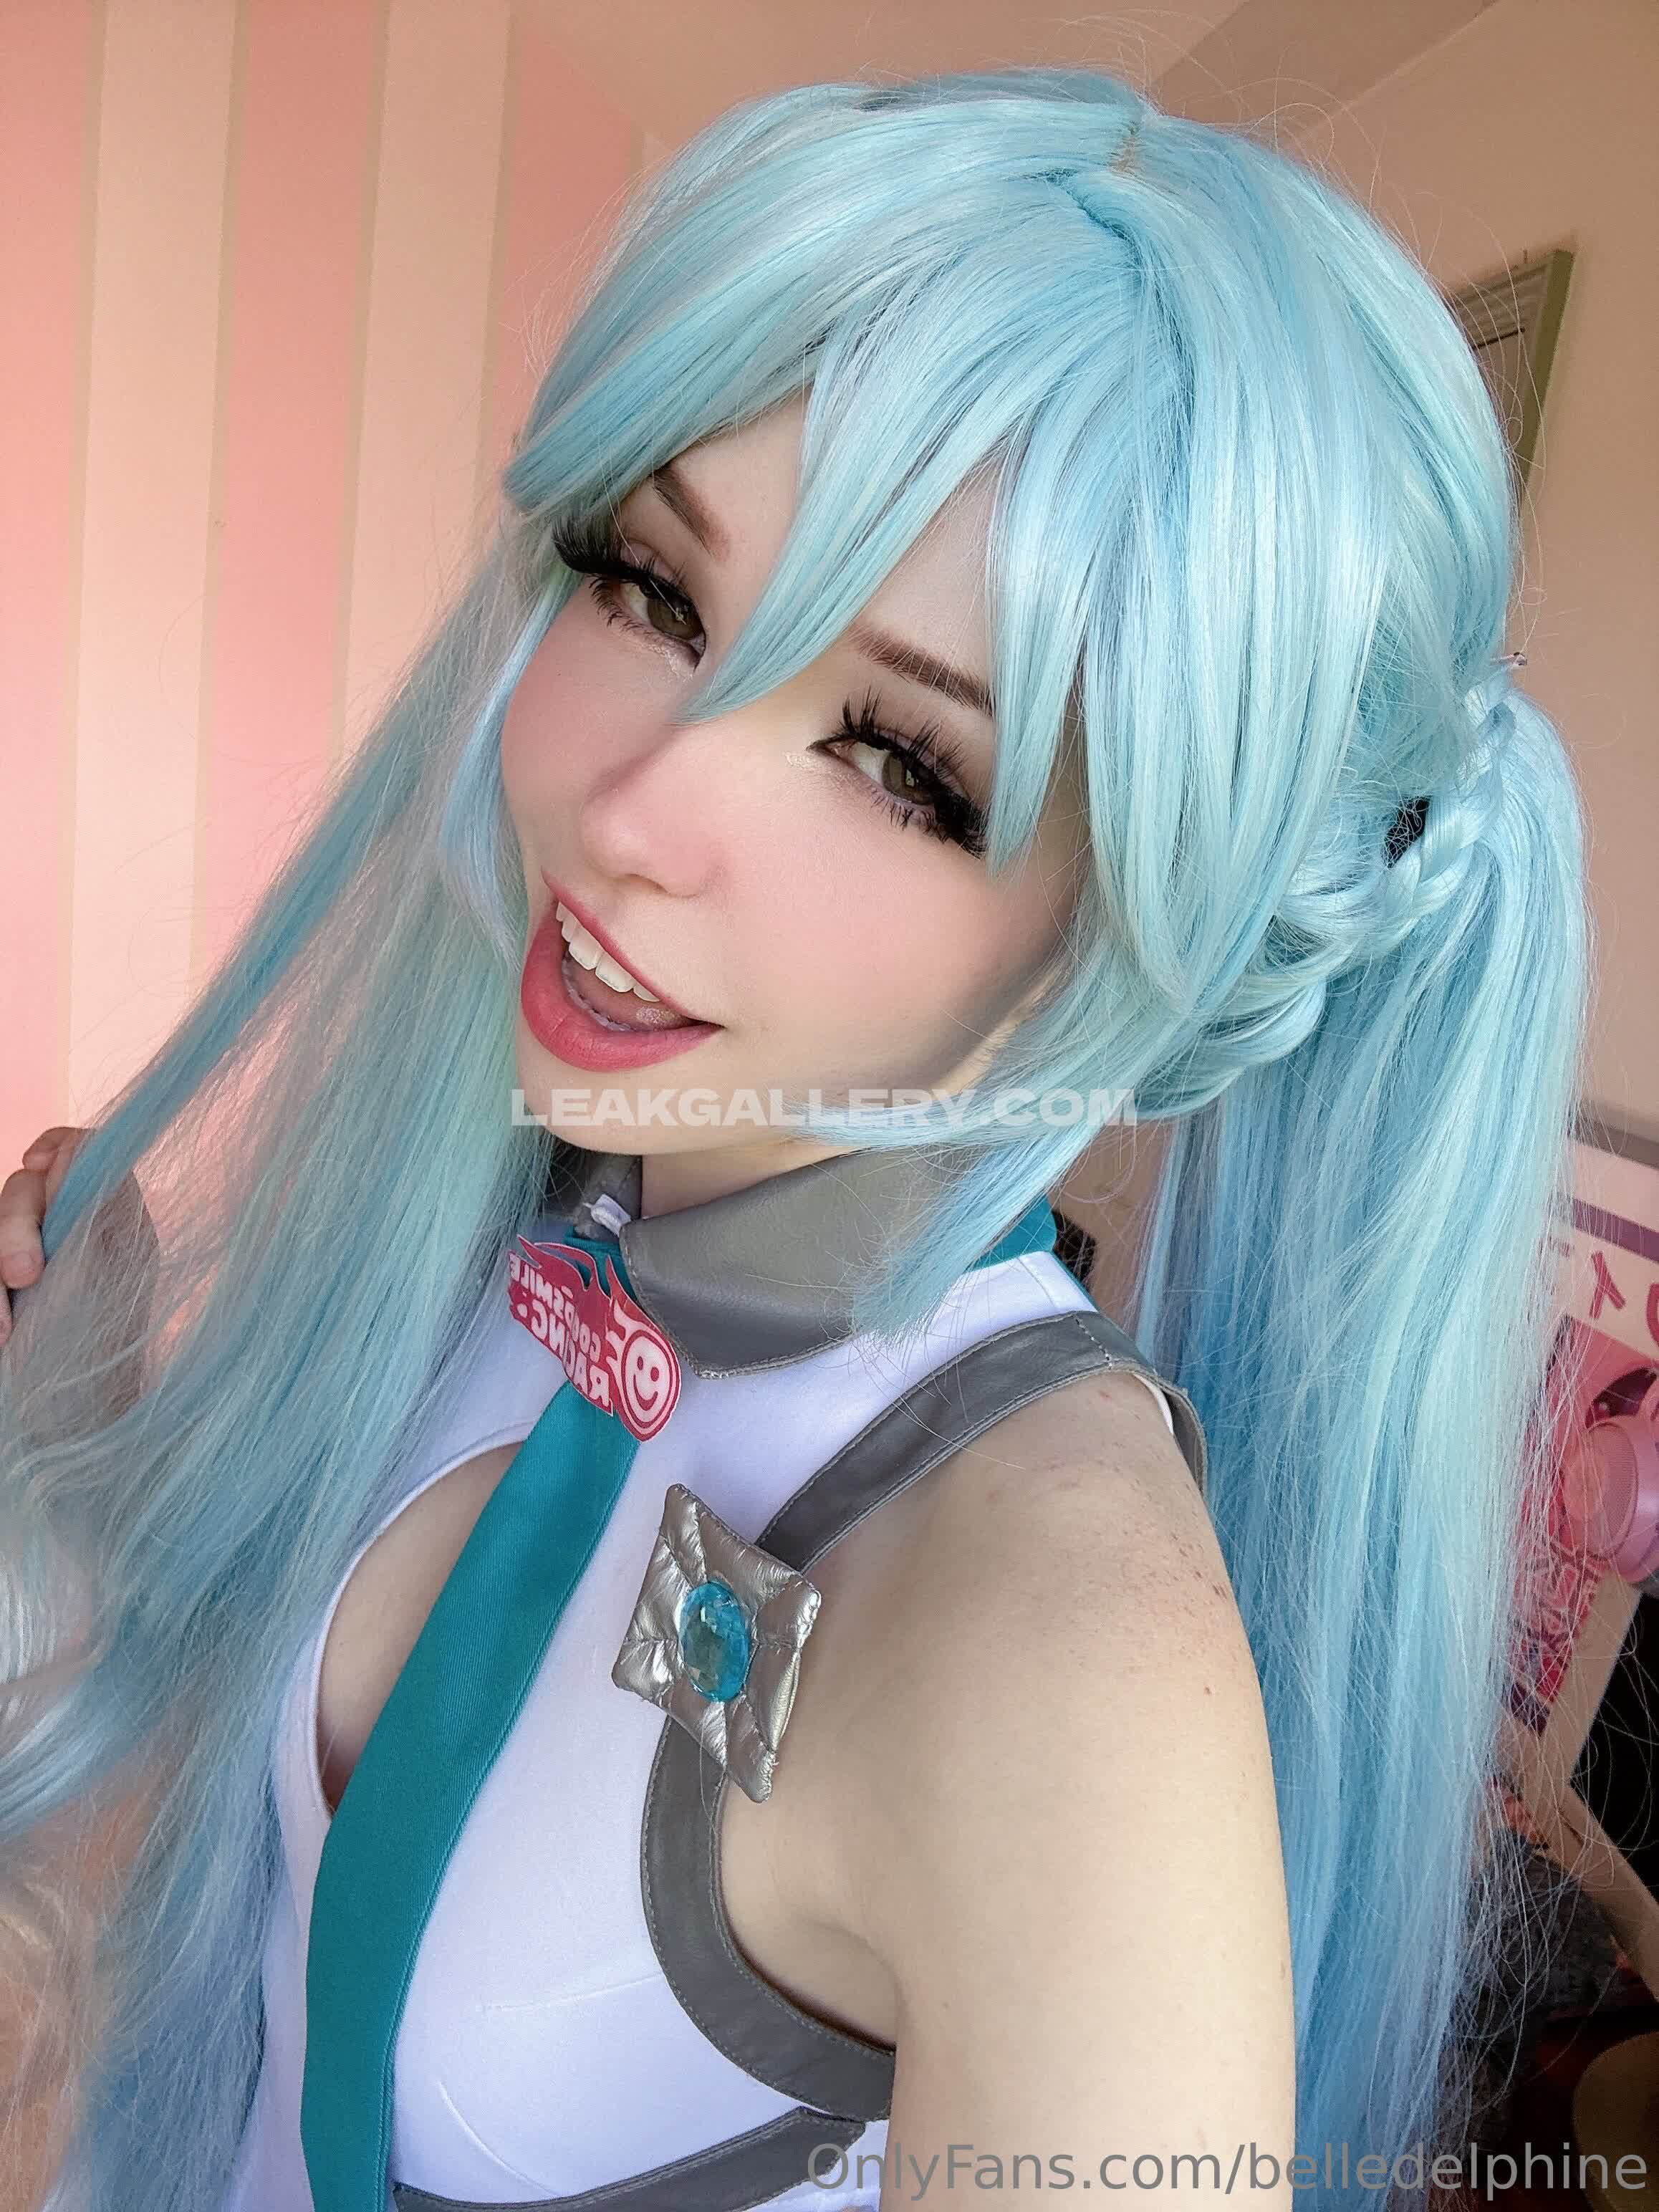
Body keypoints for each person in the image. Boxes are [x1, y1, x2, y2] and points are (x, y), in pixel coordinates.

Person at [0, 63, 1587, 2212]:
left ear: (1148, 945)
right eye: (653, 589)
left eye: (900, 764)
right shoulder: (524, 1210)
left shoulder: (1060, 1659)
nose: (631, 812)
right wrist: (108, 1414)